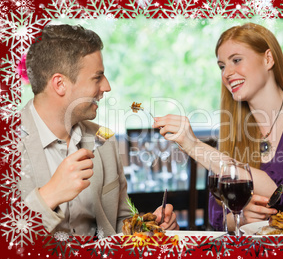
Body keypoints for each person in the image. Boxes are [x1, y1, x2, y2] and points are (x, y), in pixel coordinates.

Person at [153, 22, 283, 231]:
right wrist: (241, 217)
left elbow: (280, 191)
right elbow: (218, 217)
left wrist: (194, 146)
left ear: (268, 59)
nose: (226, 73)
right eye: (222, 66)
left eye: (236, 60)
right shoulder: (234, 130)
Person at [18, 24, 179, 237]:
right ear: (60, 84)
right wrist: (49, 195)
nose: (107, 86)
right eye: (97, 77)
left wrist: (149, 228)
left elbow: (120, 221)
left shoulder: (104, 139)